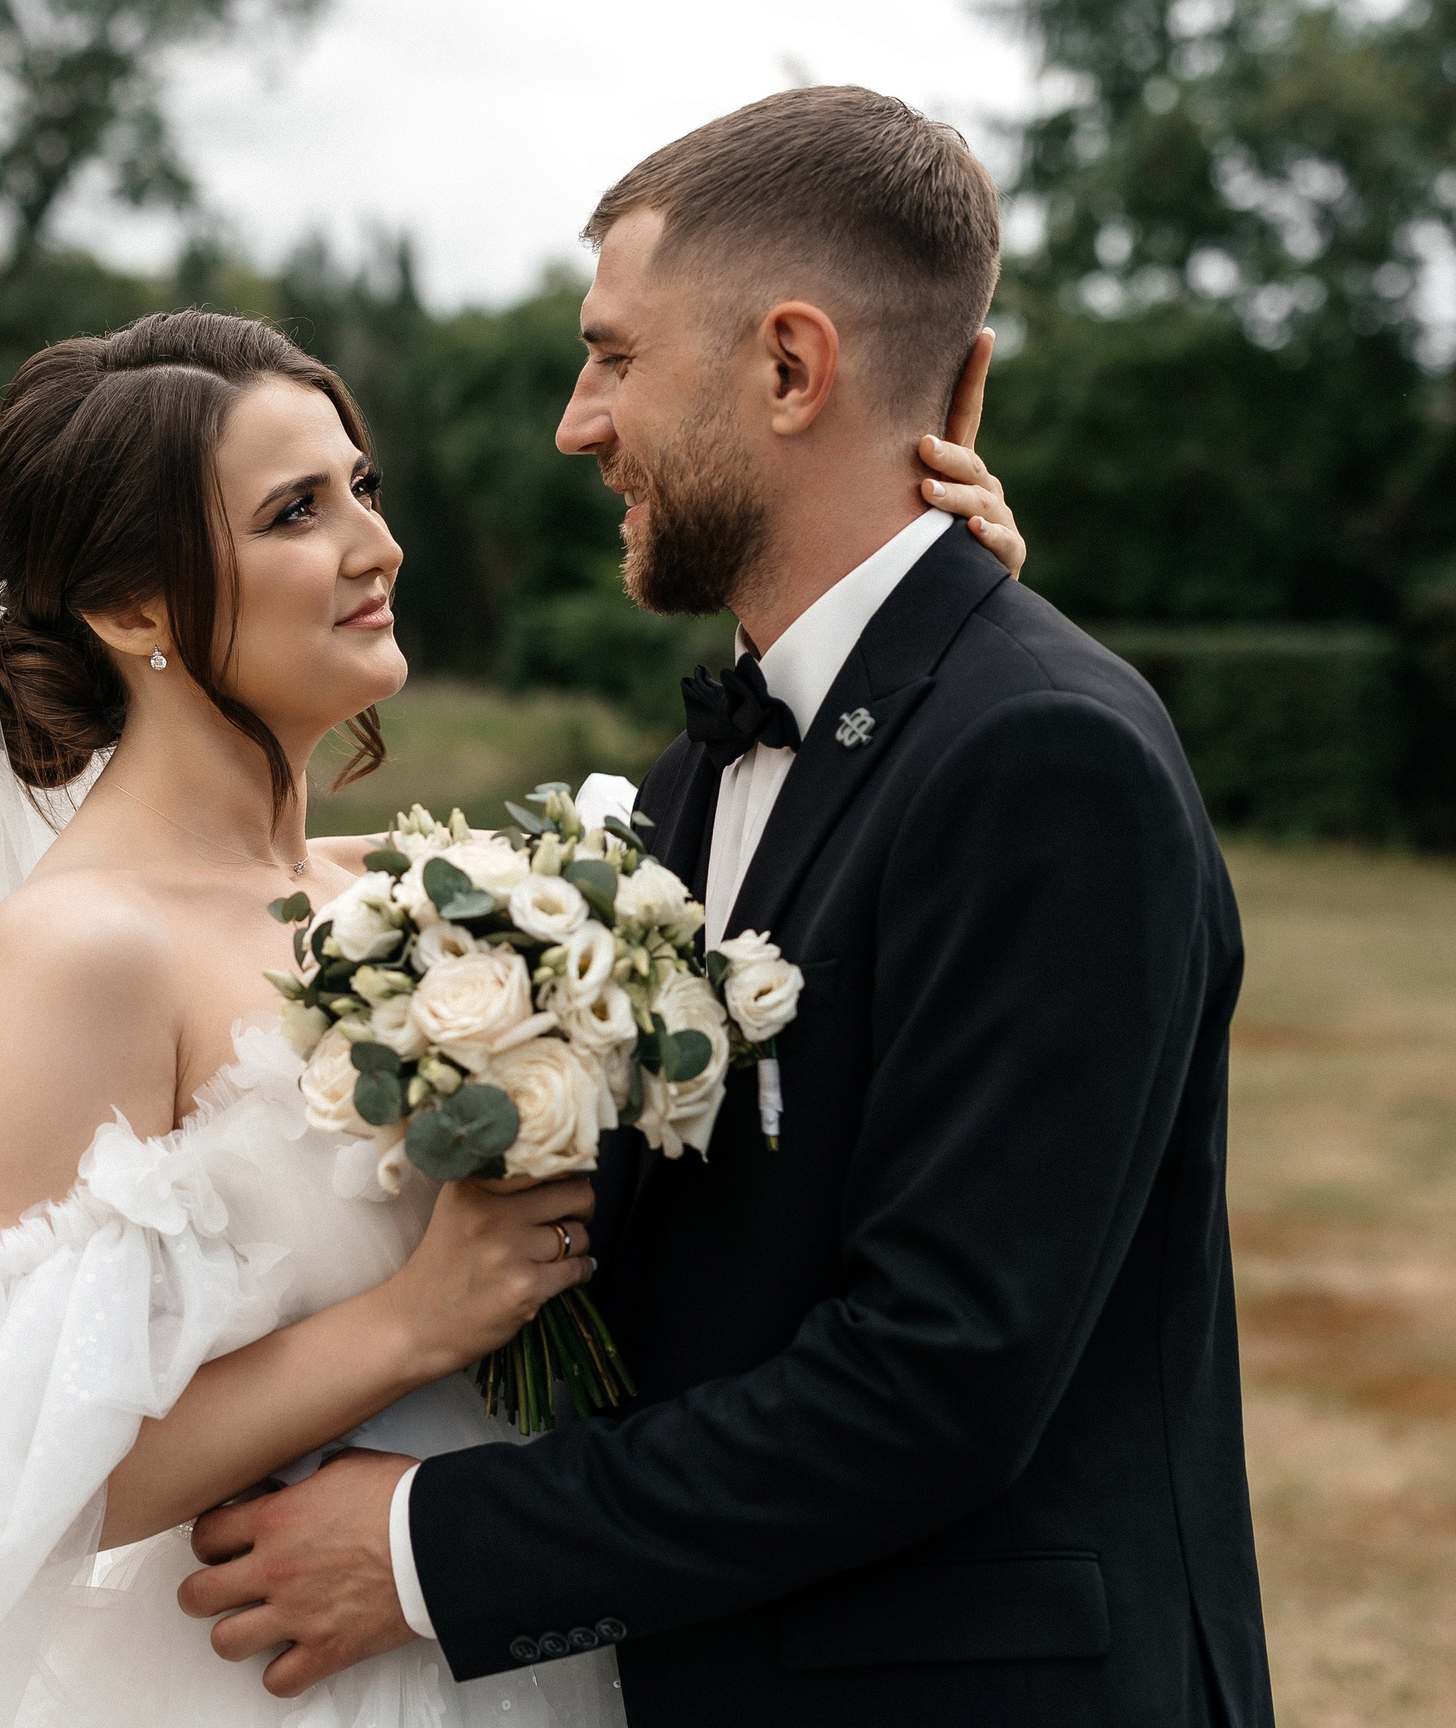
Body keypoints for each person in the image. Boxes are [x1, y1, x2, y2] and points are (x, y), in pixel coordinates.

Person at [174, 88, 1274, 1728]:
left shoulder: (1042, 755)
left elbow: (937, 1380)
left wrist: (421, 1550)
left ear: (787, 368)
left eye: (613, 356)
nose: (575, 420)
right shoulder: (711, 772)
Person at [0, 304, 1029, 1726]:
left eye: (362, 487)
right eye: (296, 511)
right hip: (299, 1673)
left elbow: (787, 906)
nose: (377, 545)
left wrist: (918, 622)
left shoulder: (427, 891)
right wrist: (414, 1324)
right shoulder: (83, 947)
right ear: (131, 612)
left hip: (536, 1635)